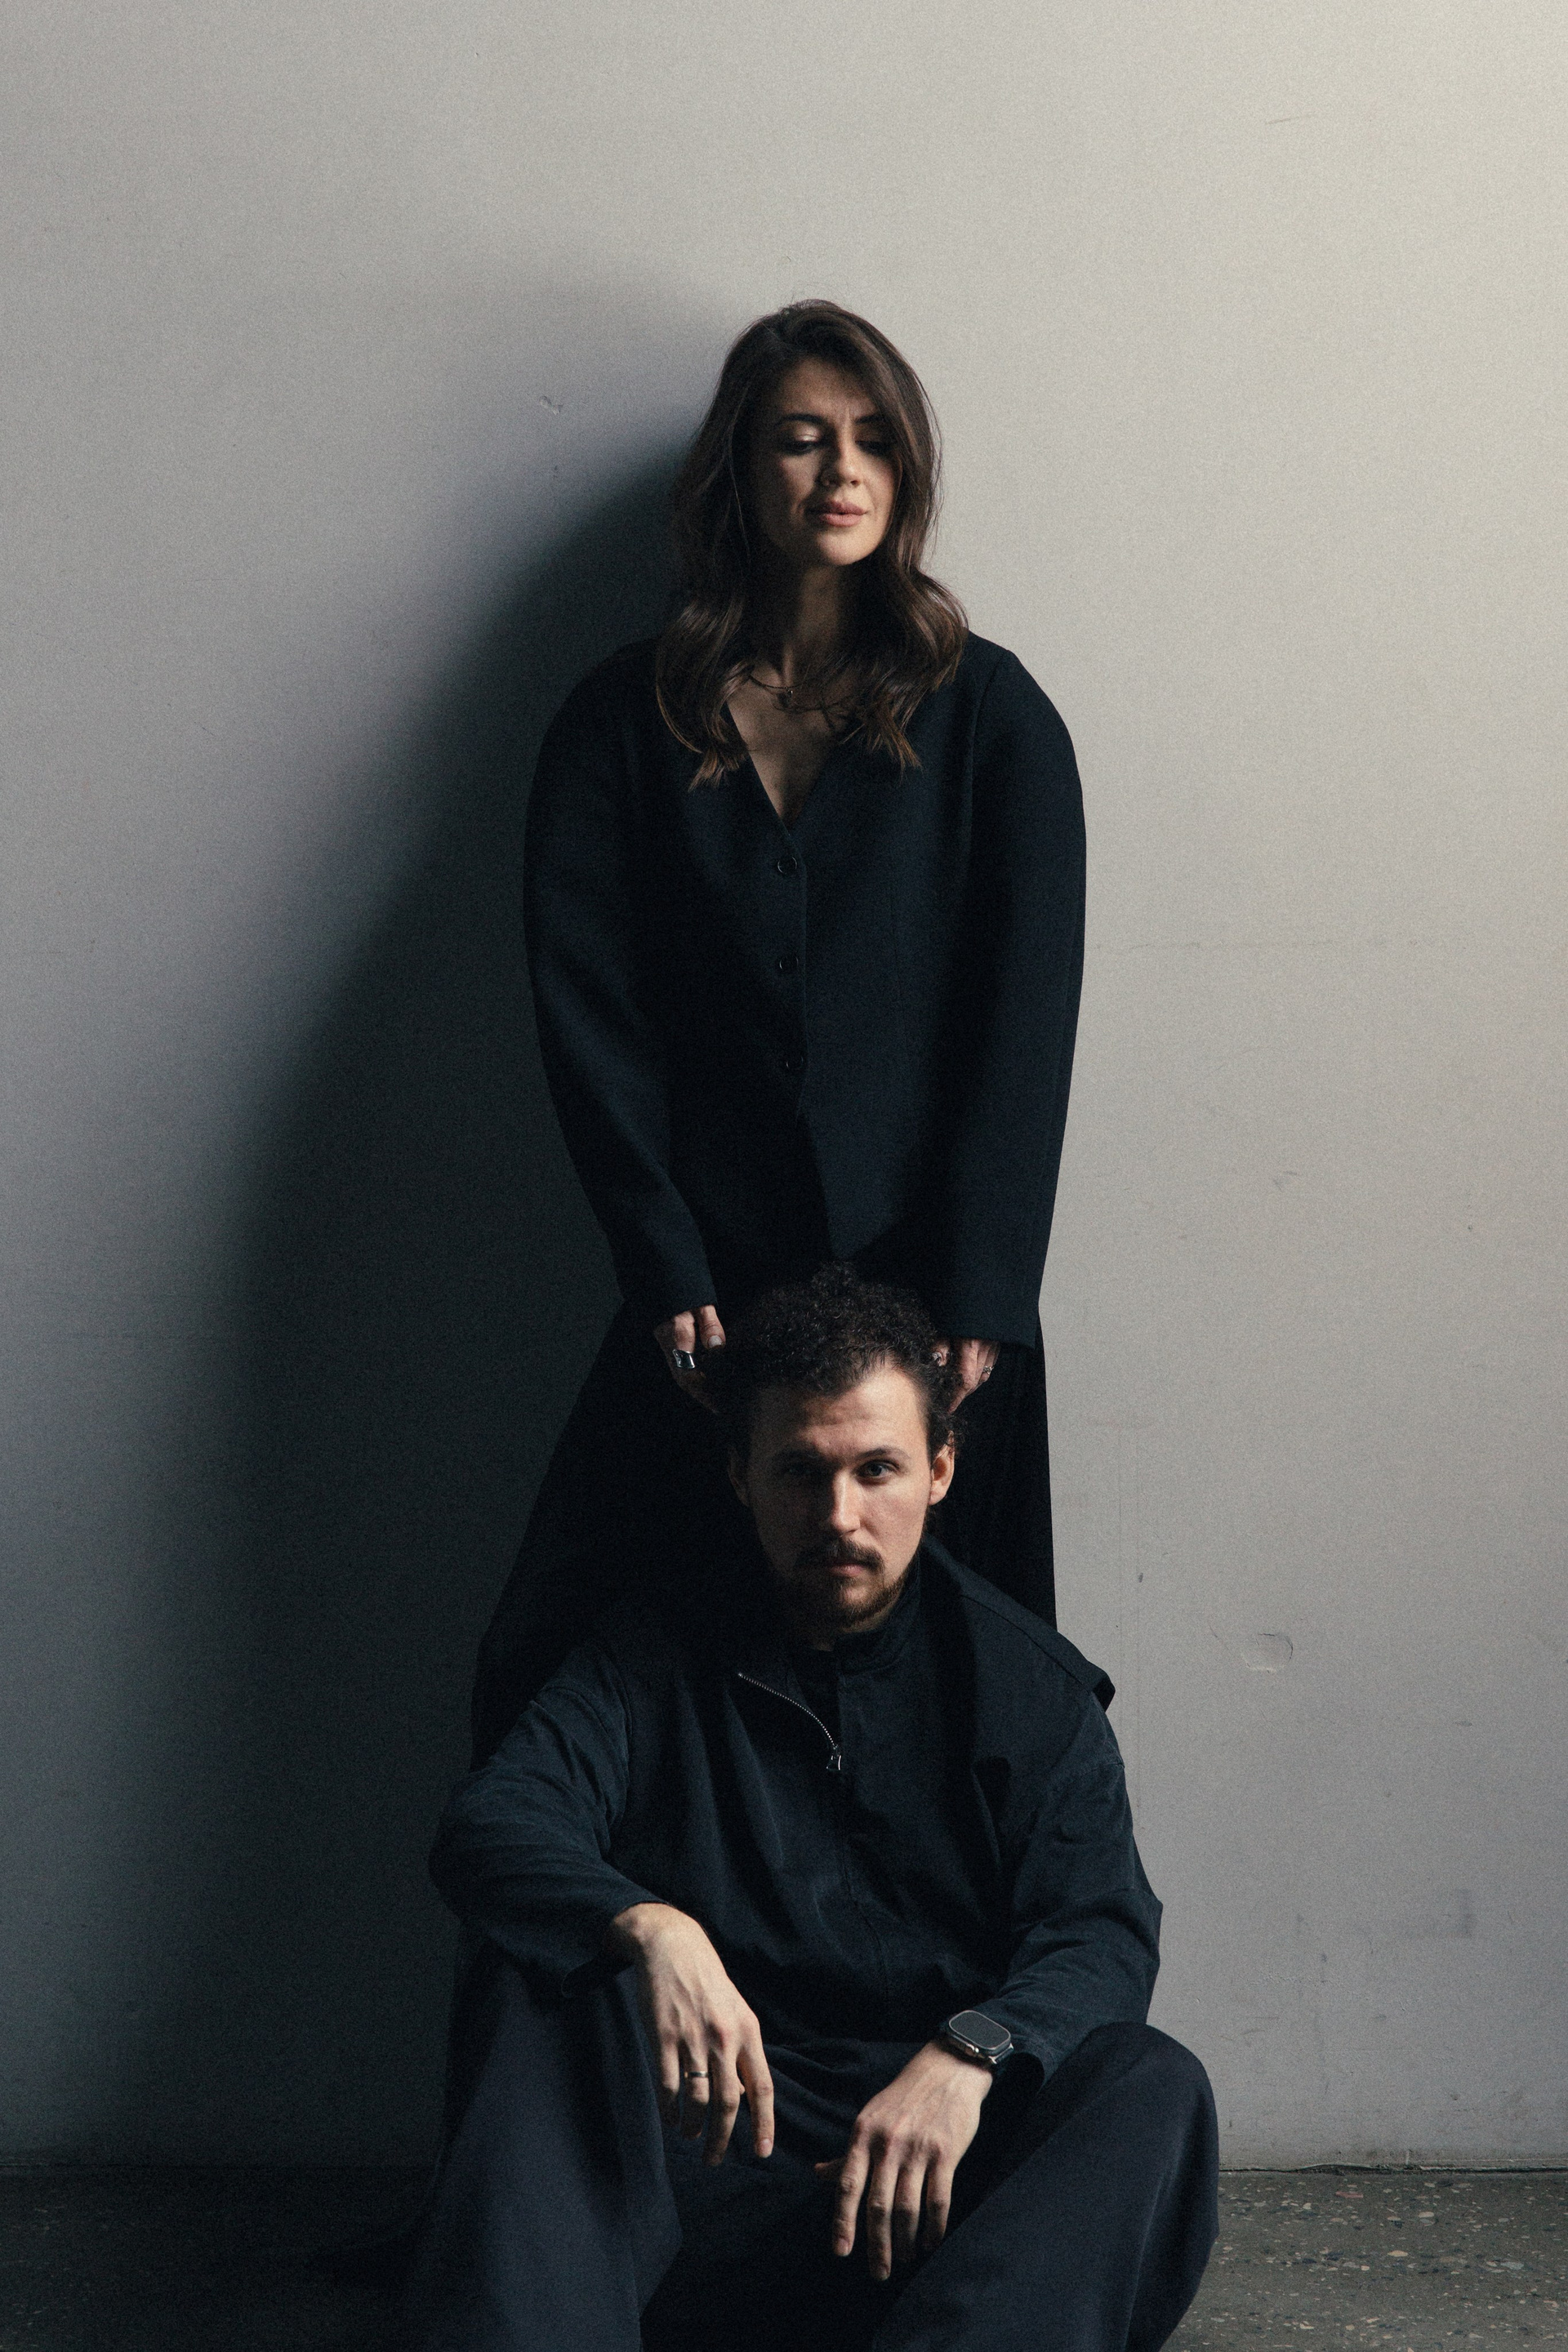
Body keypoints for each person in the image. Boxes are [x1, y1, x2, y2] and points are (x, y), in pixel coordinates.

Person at [473, 300, 1087, 1762]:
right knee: (582, 1666)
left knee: (957, 1707)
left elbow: (1024, 1024)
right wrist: (663, 1255)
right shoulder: (621, 723)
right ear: (738, 473)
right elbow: (590, 1015)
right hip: (708, 1304)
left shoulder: (995, 720)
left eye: (873, 440)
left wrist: (983, 1291)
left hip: (934, 1313)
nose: (841, 471)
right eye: (803, 439)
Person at [408, 1267, 1216, 2350]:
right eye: (800, 1471)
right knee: (534, 1986)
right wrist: (650, 1929)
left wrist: (972, 2053)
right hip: (698, 2169)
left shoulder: (1029, 1689)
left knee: (1153, 2086)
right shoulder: (645, 1656)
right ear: (740, 1476)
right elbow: (493, 1824)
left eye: (876, 1469)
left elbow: (1102, 1931)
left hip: (937, 2194)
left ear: (940, 1469)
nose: (839, 1516)